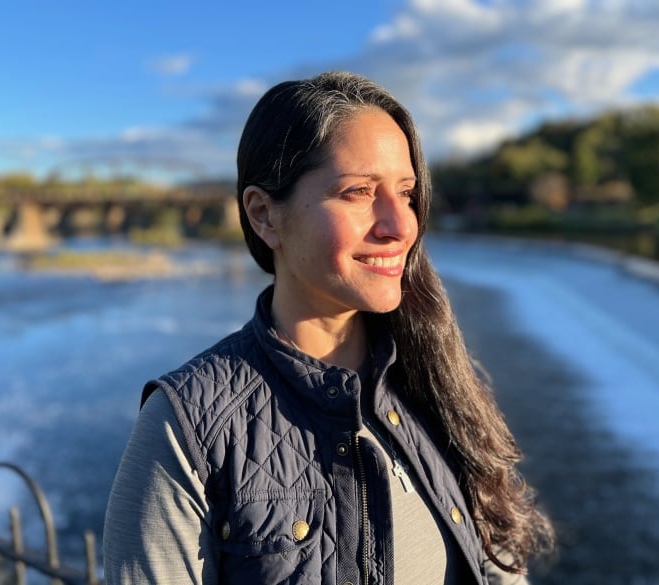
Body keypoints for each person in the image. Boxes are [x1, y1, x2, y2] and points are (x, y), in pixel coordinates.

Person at [103, 71, 554, 584]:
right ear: (264, 216)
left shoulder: (436, 381)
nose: (400, 224)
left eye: (405, 193)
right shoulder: (187, 426)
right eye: (358, 191)